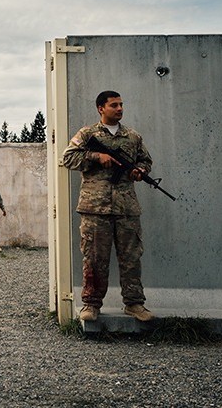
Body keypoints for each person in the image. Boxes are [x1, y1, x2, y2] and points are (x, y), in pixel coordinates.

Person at [62, 91, 155, 322]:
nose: (120, 109)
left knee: (131, 257)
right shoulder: (87, 134)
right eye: (114, 105)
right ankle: (91, 305)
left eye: (122, 104)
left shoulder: (132, 137)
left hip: (126, 208)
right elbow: (68, 159)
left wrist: (140, 171)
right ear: (101, 108)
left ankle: (134, 304)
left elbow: (146, 161)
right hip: (95, 208)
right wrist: (95, 156)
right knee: (94, 258)